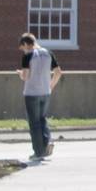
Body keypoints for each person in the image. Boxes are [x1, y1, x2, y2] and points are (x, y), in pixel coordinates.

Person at [16, 32, 62, 163]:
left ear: (26, 44)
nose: (23, 50)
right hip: (45, 92)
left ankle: (38, 152)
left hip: (31, 93)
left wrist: (20, 74)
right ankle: (47, 141)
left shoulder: (28, 55)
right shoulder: (48, 53)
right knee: (42, 119)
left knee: (34, 123)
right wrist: (51, 86)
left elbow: (26, 76)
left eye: (22, 47)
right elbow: (58, 72)